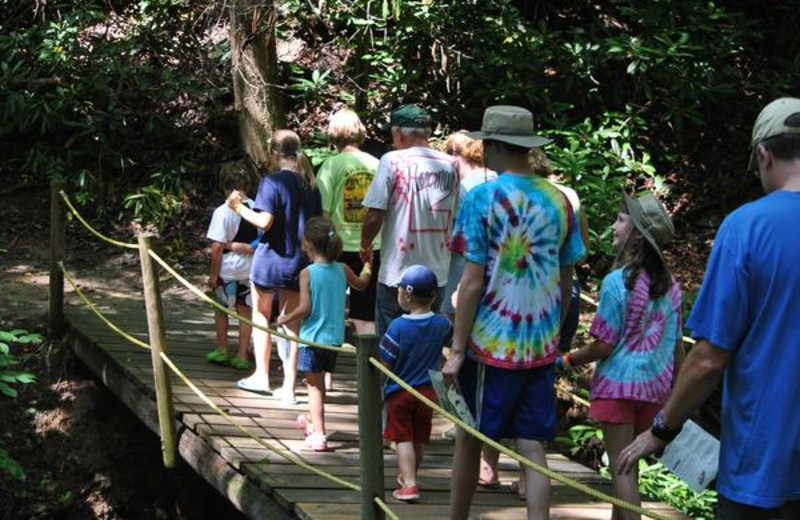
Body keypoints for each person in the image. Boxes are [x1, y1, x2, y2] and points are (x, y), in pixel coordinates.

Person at [617, 98, 800, 519]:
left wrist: (662, 428)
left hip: (764, 466)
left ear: (763, 155)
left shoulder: (747, 227)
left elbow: (708, 358)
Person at [441, 105, 586, 520]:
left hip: (490, 345)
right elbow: (565, 279)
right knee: (532, 445)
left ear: (494, 146)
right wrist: (555, 334)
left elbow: (470, 282)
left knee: (469, 437)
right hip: (540, 344)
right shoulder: (559, 200)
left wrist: (456, 348)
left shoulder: (482, 198)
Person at [558, 192, 683, 520]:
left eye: (620, 219)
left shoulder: (616, 283)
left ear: (637, 235)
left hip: (618, 389)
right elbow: (677, 348)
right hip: (655, 391)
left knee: (621, 472)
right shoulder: (671, 287)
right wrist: (676, 396)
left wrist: (568, 359)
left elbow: (604, 345)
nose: (613, 226)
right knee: (630, 468)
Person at [475, 147, 592, 490]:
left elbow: (474, 274)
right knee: (532, 422)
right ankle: (526, 483)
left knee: (484, 416)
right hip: (546, 316)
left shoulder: (490, 194)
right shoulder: (565, 198)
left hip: (498, 326)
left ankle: (489, 467)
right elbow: (575, 257)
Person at [227, 130, 322, 404]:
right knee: (293, 324)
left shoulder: (272, 181)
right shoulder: (311, 184)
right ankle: (290, 387)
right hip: (300, 260)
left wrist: (238, 207)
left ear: (275, 153)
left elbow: (264, 221)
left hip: (271, 259)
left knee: (261, 315)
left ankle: (262, 375)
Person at [360, 104, 459, 337]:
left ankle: (391, 375)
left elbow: (375, 215)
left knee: (392, 342)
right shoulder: (452, 165)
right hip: (437, 272)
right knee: (428, 341)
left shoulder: (391, 161)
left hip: (398, 272)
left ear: (399, 132)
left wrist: (365, 245)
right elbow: (458, 213)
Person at [277, 216, 372, 451]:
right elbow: (361, 284)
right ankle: (311, 420)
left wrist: (284, 318)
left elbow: (305, 308)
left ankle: (319, 435)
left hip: (311, 339)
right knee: (317, 383)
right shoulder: (343, 269)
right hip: (333, 339)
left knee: (315, 387)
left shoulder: (307, 273)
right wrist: (369, 265)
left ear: (308, 243)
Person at [379, 264, 452, 502]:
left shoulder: (398, 326)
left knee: (402, 438)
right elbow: (454, 340)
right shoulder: (442, 324)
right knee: (419, 437)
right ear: (434, 296)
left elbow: (386, 361)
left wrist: (379, 384)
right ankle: (409, 476)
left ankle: (409, 484)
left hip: (400, 392)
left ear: (407, 295)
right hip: (427, 393)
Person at [316, 108, 381, 337]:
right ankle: (367, 364)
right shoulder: (377, 164)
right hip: (372, 247)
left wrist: (322, 248)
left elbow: (323, 213)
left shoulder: (331, 166)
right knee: (366, 313)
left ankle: (323, 369)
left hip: (338, 246)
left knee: (329, 307)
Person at [205, 172, 260, 371]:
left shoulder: (222, 211)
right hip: (250, 269)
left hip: (227, 270)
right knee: (245, 312)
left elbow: (217, 246)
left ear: (224, 186)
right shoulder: (256, 208)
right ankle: (242, 355)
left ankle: (222, 350)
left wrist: (213, 274)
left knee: (221, 309)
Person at [440, 131, 497, 322]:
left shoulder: (464, 186)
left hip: (465, 257)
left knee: (452, 308)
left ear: (455, 153)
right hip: (496, 258)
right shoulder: (496, 177)